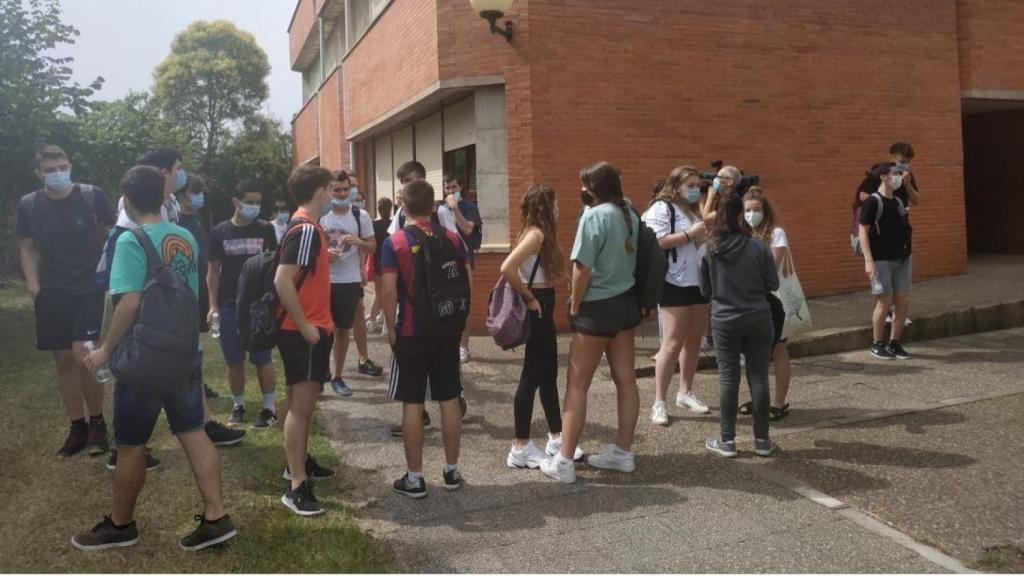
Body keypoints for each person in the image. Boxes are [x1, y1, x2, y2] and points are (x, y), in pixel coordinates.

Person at [73, 165, 236, 551]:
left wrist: (105, 350)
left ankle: (121, 525)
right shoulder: (185, 236)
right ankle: (216, 517)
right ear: (165, 197)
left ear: (127, 200)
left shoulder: (130, 241)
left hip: (144, 360)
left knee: (131, 445)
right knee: (193, 432)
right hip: (184, 353)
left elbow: (129, 303)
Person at [540, 161, 641, 484]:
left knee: (577, 384)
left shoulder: (594, 216)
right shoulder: (630, 214)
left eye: (585, 184)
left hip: (597, 307)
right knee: (626, 380)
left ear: (595, 188)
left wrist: (575, 305)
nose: (581, 190)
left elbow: (582, 268)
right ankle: (623, 453)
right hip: (626, 304)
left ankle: (564, 461)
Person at [17, 145, 116, 458]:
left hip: (88, 287)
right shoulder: (30, 204)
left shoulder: (91, 196)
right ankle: (77, 427)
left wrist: (112, 270)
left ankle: (98, 424)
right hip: (51, 292)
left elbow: (117, 231)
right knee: (62, 359)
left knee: (83, 354)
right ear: (39, 173)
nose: (57, 173)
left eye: (62, 167)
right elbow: (27, 247)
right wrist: (34, 285)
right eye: (50, 170)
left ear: (70, 166)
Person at [101, 146, 187, 472]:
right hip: (145, 305)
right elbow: (128, 299)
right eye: (177, 168)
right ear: (163, 173)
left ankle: (135, 440)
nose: (181, 174)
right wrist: (108, 347)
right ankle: (125, 445)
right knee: (134, 364)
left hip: (163, 311)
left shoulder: (166, 205)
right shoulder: (130, 228)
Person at [381, 180, 468, 497]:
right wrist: (461, 326)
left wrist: (391, 329)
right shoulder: (454, 239)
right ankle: (451, 471)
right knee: (449, 397)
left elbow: (388, 290)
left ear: (403, 207)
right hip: (448, 328)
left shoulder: (395, 242)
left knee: (413, 402)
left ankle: (415, 478)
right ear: (433, 206)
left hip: (412, 331)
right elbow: (467, 283)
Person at [500, 185, 583, 468]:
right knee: (531, 377)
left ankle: (557, 436)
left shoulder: (539, 234)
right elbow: (507, 267)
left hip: (544, 305)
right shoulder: (535, 234)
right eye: (555, 204)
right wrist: (530, 298)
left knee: (548, 375)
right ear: (546, 207)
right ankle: (520, 446)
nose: (558, 209)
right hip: (537, 306)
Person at [275, 165, 338, 516]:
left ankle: (298, 463)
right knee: (301, 408)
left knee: (301, 404)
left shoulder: (306, 227)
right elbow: (282, 281)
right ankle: (296, 485)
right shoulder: (307, 230)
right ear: (319, 191)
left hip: (310, 327)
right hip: (305, 331)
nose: (332, 194)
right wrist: (304, 326)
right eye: (329, 188)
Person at [699, 194, 779, 458]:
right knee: (758, 376)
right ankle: (762, 440)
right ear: (739, 215)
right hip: (758, 316)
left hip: (724, 319)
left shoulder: (708, 249)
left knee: (728, 378)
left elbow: (704, 290)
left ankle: (727, 441)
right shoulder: (758, 247)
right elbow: (773, 283)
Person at [174, 175, 246, 446]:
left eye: (201, 192)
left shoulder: (194, 219)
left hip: (198, 288)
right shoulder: (174, 221)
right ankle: (189, 395)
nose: (199, 196)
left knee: (194, 344)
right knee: (185, 346)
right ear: (181, 194)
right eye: (195, 192)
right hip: (182, 292)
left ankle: (197, 387)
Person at [207, 180, 279, 429]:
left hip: (258, 306)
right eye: (250, 202)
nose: (255, 207)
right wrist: (213, 305)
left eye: (258, 202)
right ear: (236, 202)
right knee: (233, 359)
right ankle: (238, 405)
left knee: (262, 358)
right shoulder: (219, 232)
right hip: (229, 304)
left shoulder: (266, 229)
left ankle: (269, 407)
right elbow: (213, 272)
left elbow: (274, 266)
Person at [643, 166, 711, 426]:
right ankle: (659, 401)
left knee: (693, 341)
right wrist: (688, 235)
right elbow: (655, 241)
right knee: (671, 344)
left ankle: (685, 392)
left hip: (698, 281)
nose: (695, 190)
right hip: (674, 281)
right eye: (690, 185)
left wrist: (702, 238)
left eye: (697, 186)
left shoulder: (693, 210)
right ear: (676, 186)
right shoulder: (662, 208)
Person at [320, 170, 382, 397]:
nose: (342, 194)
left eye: (346, 189)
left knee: (342, 330)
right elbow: (309, 246)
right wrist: (323, 253)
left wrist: (358, 241)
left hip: (348, 280)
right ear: (329, 191)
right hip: (323, 281)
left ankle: (337, 376)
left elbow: (373, 246)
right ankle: (320, 375)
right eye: (337, 190)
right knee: (321, 331)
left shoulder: (360, 216)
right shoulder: (321, 215)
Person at [739, 188, 792, 420]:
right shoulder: (742, 233)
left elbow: (771, 267)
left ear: (765, 211)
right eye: (748, 210)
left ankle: (779, 402)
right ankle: (759, 398)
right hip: (748, 300)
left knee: (778, 348)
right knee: (754, 352)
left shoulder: (776, 233)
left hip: (773, 299)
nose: (752, 214)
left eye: (757, 209)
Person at [857, 142, 919, 327]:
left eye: (907, 162)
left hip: (900, 231)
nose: (903, 165)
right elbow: (862, 195)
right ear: (892, 157)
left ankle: (897, 313)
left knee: (900, 281)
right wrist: (885, 201)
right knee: (884, 279)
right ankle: (887, 312)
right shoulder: (880, 172)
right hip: (881, 232)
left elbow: (916, 199)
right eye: (901, 161)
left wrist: (907, 184)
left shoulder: (906, 176)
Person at [858, 162, 914, 360]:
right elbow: (863, 231)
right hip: (881, 259)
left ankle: (894, 343)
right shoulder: (873, 202)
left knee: (902, 300)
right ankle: (877, 343)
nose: (899, 176)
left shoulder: (897, 201)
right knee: (884, 301)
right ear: (884, 177)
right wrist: (868, 260)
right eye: (895, 173)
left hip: (903, 257)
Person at [439, 174, 483, 363]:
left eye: (454, 187)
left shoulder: (469, 207)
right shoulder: (440, 208)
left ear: (461, 187)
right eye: (447, 188)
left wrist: (456, 209)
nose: (450, 191)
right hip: (444, 263)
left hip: (464, 262)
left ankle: (463, 346)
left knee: (465, 303)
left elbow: (467, 229)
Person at [365, 197, 394, 334]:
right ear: (390, 209)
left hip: (377, 261)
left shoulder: (373, 225)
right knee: (388, 292)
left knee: (377, 292)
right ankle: (384, 324)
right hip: (390, 262)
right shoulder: (393, 224)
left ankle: (372, 321)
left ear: (378, 209)